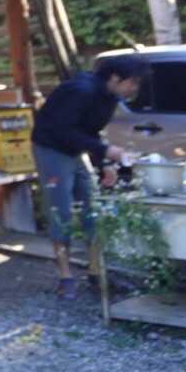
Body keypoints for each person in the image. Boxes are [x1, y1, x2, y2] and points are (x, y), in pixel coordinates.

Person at [30, 54, 146, 300]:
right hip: (52, 148)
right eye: (133, 82)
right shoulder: (80, 91)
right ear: (115, 78)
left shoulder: (110, 97)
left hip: (76, 149)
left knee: (93, 209)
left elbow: (91, 132)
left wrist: (105, 164)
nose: (135, 88)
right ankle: (65, 277)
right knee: (60, 212)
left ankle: (96, 272)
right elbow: (63, 131)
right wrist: (106, 151)